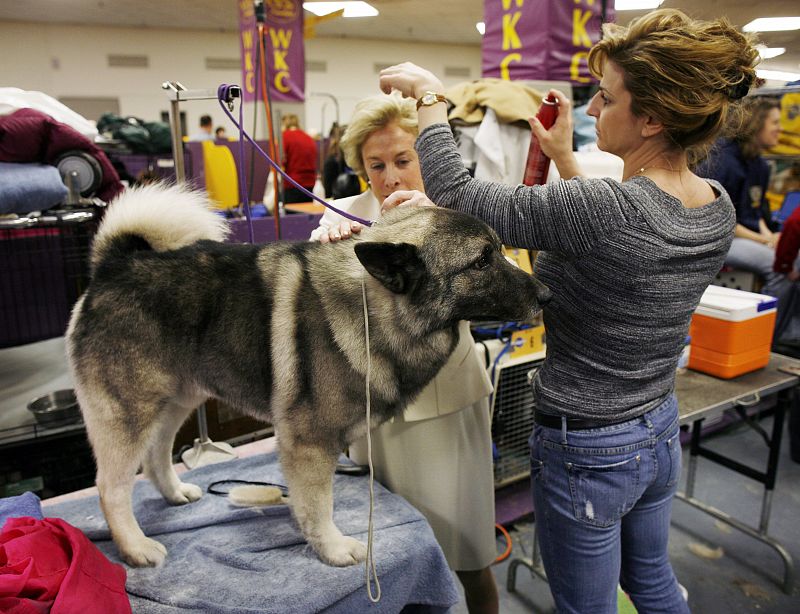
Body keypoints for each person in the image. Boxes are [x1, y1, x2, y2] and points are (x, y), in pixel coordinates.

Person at [378, 8, 759, 613]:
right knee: (654, 583)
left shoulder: (604, 209)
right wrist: (564, 158)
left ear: (652, 119)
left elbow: (456, 194)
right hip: (657, 427)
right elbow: (615, 239)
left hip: (589, 449)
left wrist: (429, 97)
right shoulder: (715, 205)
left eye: (606, 97)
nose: (592, 109)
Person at [309, 94, 500, 614]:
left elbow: (483, 296)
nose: (390, 178)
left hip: (444, 405)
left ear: (427, 156)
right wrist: (329, 257)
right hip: (373, 411)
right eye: (376, 166)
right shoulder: (342, 216)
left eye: (402, 160)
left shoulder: (458, 212)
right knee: (390, 556)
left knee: (467, 551)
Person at [695, 97, 782, 285]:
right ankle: (774, 305)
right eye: (775, 123)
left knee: (791, 259)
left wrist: (770, 237)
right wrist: (765, 241)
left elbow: (756, 211)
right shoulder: (723, 161)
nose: (780, 129)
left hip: (745, 236)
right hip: (719, 239)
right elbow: (719, 221)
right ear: (757, 123)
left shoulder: (760, 165)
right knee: (778, 266)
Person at [281, 113, 317, 204]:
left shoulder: (285, 136)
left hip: (292, 185)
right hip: (310, 185)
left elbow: (280, 162)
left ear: (284, 124)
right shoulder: (309, 138)